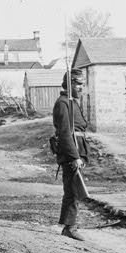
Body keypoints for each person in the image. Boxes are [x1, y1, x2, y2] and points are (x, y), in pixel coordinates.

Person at [53, 68, 90, 241]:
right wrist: (74, 156)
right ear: (70, 84)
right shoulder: (63, 103)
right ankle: (69, 227)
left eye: (82, 84)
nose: (82, 87)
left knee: (75, 188)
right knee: (73, 190)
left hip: (77, 149)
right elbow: (65, 133)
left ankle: (70, 224)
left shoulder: (72, 102)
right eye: (79, 84)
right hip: (70, 152)